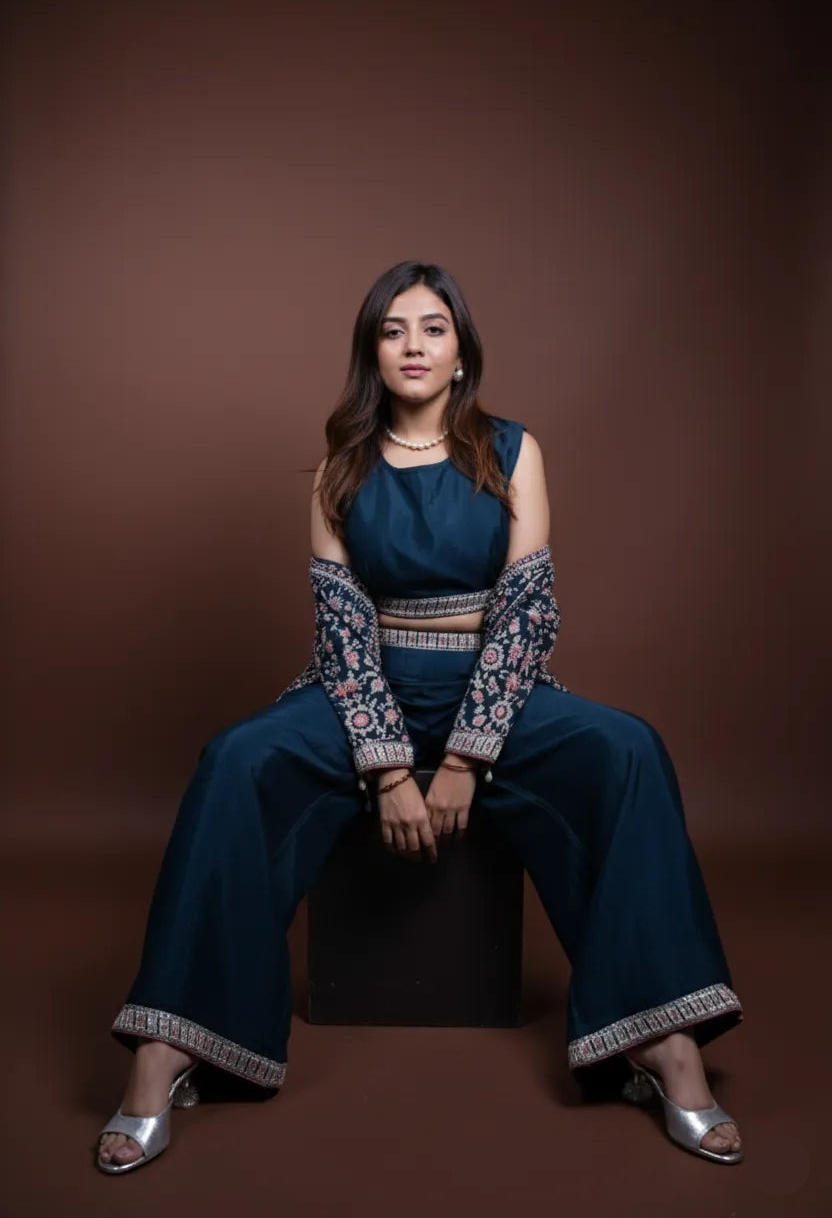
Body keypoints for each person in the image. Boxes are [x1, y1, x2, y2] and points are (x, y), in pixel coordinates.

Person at [96, 261, 744, 1174]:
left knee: (630, 748)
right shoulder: (339, 468)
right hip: (366, 693)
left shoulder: (515, 451)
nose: (413, 345)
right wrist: (390, 767)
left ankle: (664, 1043)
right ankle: (170, 1050)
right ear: (372, 351)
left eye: (433, 328)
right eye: (394, 329)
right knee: (234, 759)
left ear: (461, 352)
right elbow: (339, 629)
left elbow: (526, 613)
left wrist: (467, 759)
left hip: (496, 690)